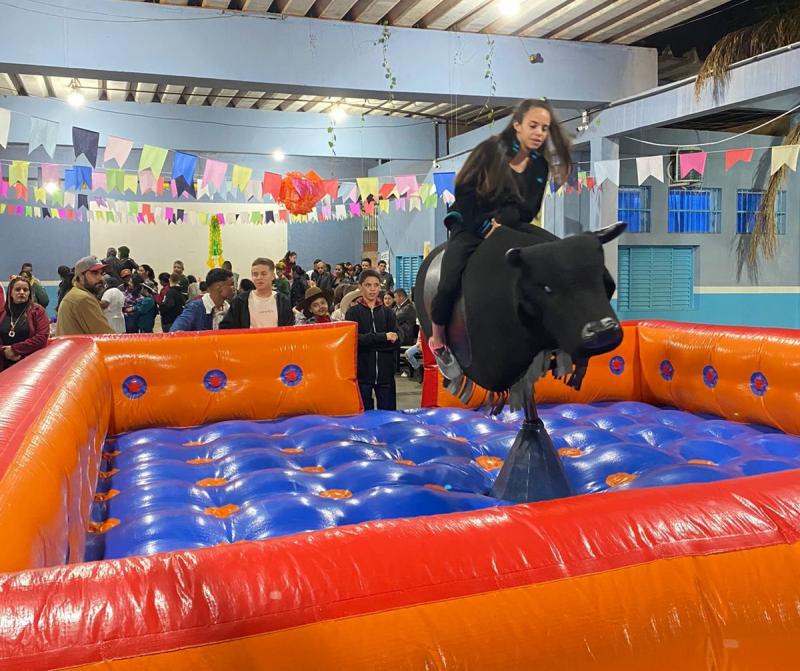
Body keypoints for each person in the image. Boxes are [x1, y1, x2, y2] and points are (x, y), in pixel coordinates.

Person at [429, 98, 571, 354]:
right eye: (533, 126)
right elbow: (464, 192)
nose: (539, 133)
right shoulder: (490, 151)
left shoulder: (539, 165)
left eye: (545, 128)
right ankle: (437, 332)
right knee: (450, 278)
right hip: (471, 221)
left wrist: (504, 221)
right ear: (517, 125)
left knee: (556, 251)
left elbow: (530, 209)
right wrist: (485, 227)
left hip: (509, 223)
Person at [345, 269, 399, 411]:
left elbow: (396, 340)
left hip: (385, 374)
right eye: (368, 285)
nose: (373, 289)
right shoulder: (353, 313)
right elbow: (354, 341)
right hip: (362, 375)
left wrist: (370, 342)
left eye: (376, 285)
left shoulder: (388, 313)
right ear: (360, 286)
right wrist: (383, 337)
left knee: (388, 417)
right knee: (364, 417)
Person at [221, 257, 293, 330]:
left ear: (273, 276)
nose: (259, 277)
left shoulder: (283, 301)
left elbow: (289, 329)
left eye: (263, 274)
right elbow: (226, 328)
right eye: (255, 274)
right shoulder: (240, 301)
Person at [55, 256, 114, 336]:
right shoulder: (83, 299)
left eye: (101, 273)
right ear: (80, 276)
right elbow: (106, 337)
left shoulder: (75, 294)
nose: (101, 278)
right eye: (95, 273)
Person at [1, 276, 49, 370]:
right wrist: (4, 351)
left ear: (29, 293)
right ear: (10, 292)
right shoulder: (2, 312)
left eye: (25, 290)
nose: (22, 292)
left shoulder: (38, 311)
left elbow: (42, 337)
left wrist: (14, 349)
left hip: (30, 366)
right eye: (17, 289)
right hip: (3, 365)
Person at [170, 268, 234, 332]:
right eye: (231, 284)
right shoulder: (194, 308)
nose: (234, 288)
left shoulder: (229, 308)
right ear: (219, 287)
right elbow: (175, 331)